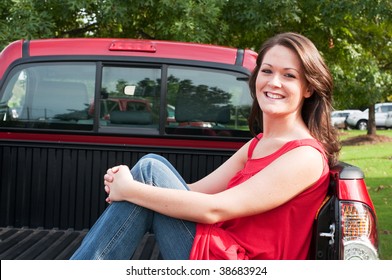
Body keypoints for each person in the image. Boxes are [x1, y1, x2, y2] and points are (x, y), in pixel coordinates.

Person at [70, 32, 340, 260]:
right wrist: (132, 188)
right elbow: (192, 192)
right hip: (217, 249)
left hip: (238, 264)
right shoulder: (257, 144)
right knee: (151, 169)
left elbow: (215, 208)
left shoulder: (304, 156)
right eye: (267, 71)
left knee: (149, 172)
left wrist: (130, 189)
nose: (274, 82)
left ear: (308, 88)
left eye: (289, 75)